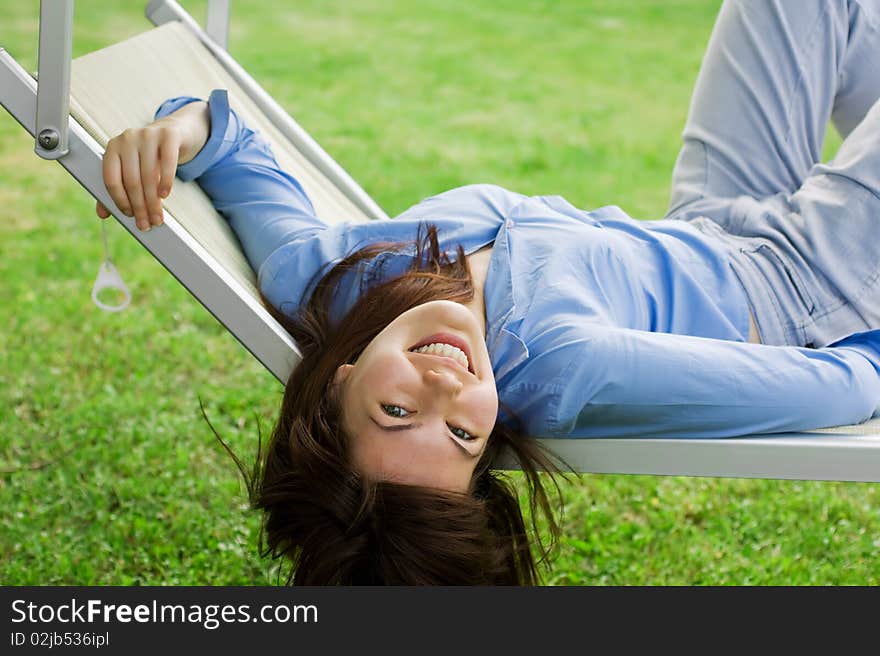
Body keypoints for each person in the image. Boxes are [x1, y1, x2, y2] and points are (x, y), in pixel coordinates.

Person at [96, 0, 880, 584]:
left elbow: (234, 153)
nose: (446, 386)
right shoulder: (567, 365)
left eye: (397, 412)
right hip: (815, 279)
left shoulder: (318, 278)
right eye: (464, 436)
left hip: (711, 223)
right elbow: (839, 385)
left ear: (337, 387)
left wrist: (176, 133)